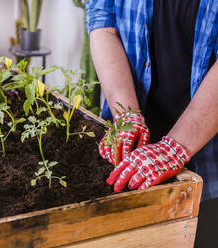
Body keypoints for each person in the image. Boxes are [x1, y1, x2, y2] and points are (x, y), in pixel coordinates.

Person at [86, 1, 218, 247]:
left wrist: (176, 146)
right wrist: (126, 114)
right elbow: (103, 21)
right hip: (127, 151)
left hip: (207, 162)